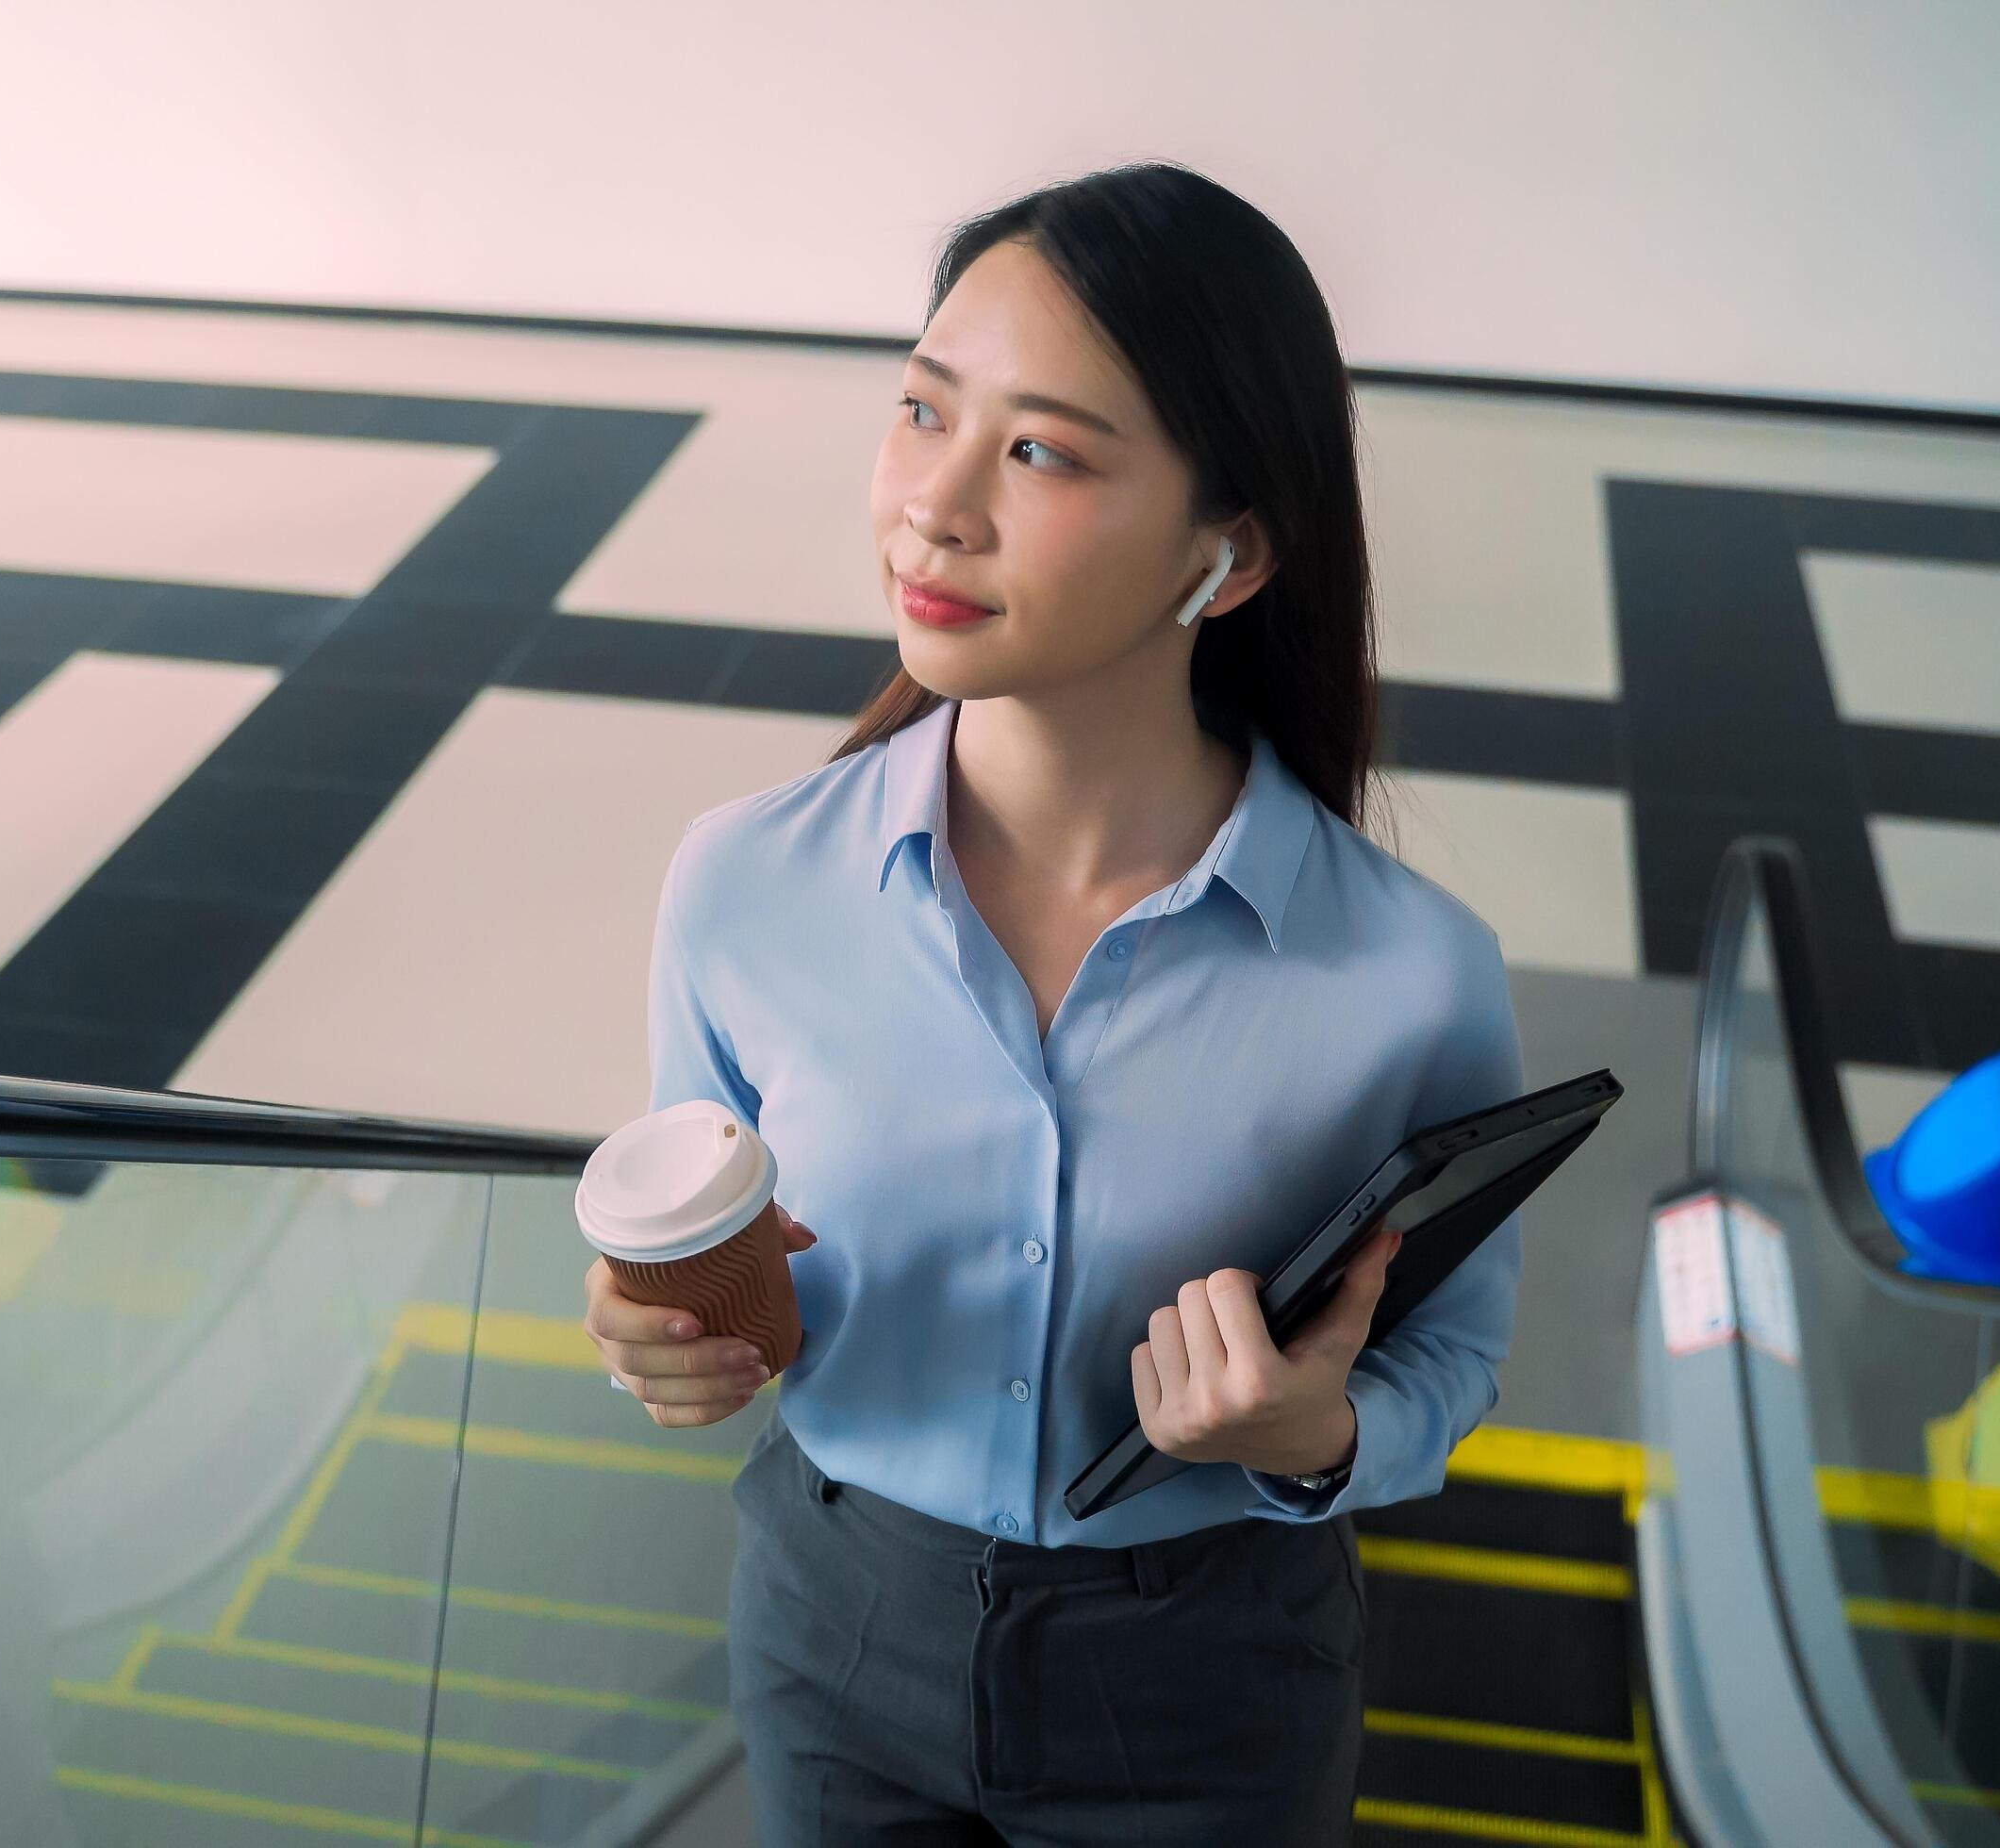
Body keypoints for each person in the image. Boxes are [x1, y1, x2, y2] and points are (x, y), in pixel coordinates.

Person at [582, 162, 1526, 1845]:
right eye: (921, 412)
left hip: (1214, 1674)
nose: (933, 507)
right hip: (831, 1621)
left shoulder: (1409, 973)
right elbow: (704, 1229)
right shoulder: (742, 885)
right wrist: (667, 1336)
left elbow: (1453, 1351)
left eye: (1038, 452)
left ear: (1225, 560)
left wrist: (1317, 1437)